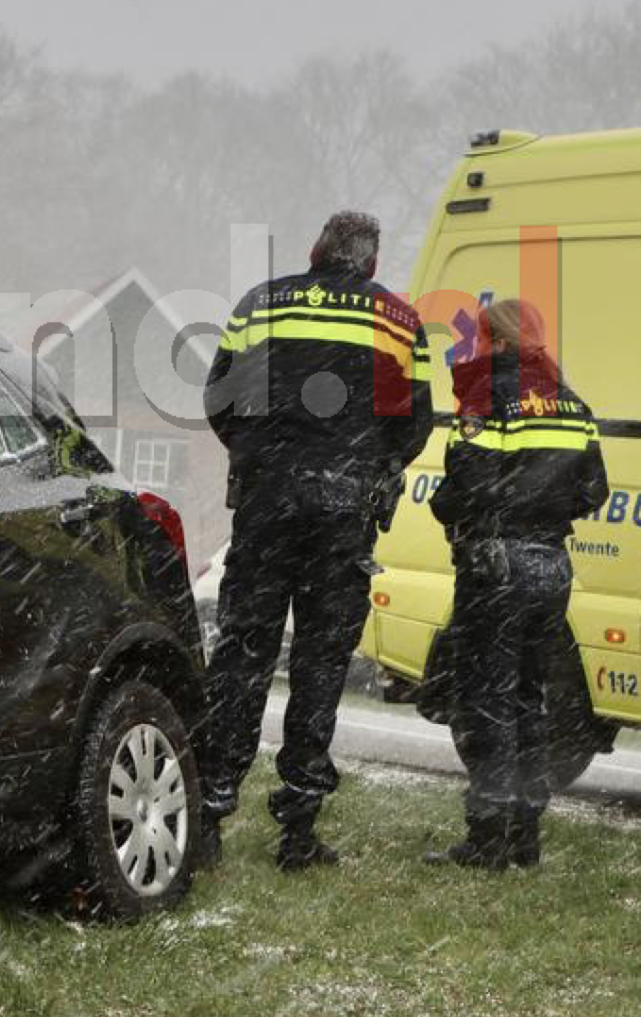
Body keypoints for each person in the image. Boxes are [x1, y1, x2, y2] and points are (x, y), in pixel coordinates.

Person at [198, 210, 434, 870]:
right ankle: (297, 832)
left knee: (242, 659)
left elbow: (220, 398)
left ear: (316, 251)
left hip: (268, 509)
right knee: (321, 667)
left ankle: (211, 815)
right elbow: (414, 419)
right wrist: (363, 468)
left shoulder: (264, 303)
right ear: (372, 264)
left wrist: (263, 459)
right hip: (343, 516)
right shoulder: (395, 320)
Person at [426, 298, 608, 870]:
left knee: (487, 701)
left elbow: (466, 485)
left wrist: (448, 505)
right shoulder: (571, 403)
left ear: (496, 341)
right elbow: (593, 490)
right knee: (531, 699)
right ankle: (526, 837)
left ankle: (486, 839)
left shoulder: (486, 396)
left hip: (495, 565)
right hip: (551, 568)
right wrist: (544, 510)